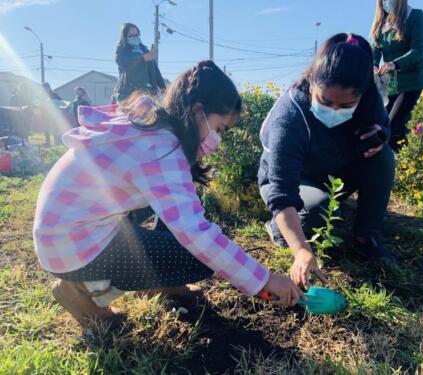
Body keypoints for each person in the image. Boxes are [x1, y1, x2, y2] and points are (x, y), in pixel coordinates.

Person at [33, 60, 303, 326]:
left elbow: (183, 211)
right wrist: (264, 279)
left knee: (187, 210)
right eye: (219, 129)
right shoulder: (161, 148)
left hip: (67, 230)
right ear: (198, 111)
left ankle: (162, 287)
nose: (218, 141)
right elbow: (196, 234)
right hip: (71, 248)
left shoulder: (149, 126)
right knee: (196, 257)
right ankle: (77, 291)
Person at [259, 33, 396, 290]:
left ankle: (366, 236)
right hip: (297, 179)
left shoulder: (369, 99)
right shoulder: (289, 116)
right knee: (314, 212)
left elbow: (385, 129)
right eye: (325, 101)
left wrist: (378, 136)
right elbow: (282, 191)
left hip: (334, 172)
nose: (334, 110)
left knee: (383, 156)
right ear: (312, 83)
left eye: (346, 104)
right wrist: (301, 250)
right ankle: (278, 228)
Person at [371, 0, 423, 151]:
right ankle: (407, 164)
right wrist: (374, 64)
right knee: (384, 124)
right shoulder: (381, 22)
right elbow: (375, 47)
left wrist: (394, 64)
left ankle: (400, 165)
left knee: (393, 124)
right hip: (391, 83)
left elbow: (417, 51)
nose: (386, 2)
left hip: (412, 80)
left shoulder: (415, 16)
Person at [114, 22, 166, 103]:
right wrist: (142, 59)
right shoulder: (122, 51)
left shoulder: (145, 51)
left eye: (137, 35)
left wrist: (163, 88)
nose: (135, 37)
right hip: (128, 95)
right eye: (131, 36)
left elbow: (156, 72)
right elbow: (125, 64)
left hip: (148, 94)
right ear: (124, 37)